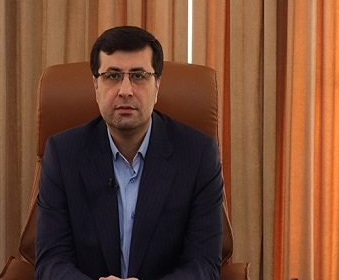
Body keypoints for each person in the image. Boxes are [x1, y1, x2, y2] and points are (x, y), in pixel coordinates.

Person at [35, 26, 224, 280]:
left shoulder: (198, 155)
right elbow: (51, 261)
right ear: (95, 85)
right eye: (113, 76)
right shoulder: (62, 154)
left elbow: (204, 264)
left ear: (157, 85)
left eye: (138, 75)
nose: (125, 90)